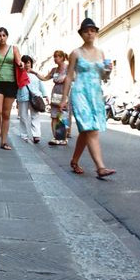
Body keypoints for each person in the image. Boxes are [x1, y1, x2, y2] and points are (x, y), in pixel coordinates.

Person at [60, 18, 116, 178]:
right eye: (86, 31)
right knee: (91, 129)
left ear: (96, 33)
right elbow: (69, 76)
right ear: (81, 34)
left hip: (96, 94)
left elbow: (104, 76)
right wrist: (64, 98)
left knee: (86, 130)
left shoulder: (101, 53)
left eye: (92, 30)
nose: (90, 33)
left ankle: (75, 161)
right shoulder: (75, 53)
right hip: (80, 94)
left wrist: (108, 71)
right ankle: (100, 167)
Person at [32, 50, 72, 145]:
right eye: (54, 56)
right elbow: (45, 78)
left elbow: (73, 78)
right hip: (55, 94)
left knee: (63, 116)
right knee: (54, 116)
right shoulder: (54, 70)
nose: (55, 58)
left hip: (64, 93)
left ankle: (63, 138)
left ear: (62, 58)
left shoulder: (68, 68)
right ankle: (56, 137)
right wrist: (34, 73)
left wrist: (66, 78)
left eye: (57, 56)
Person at [16, 55, 47, 143]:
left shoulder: (35, 74)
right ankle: (24, 134)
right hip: (23, 97)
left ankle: (36, 135)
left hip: (35, 97)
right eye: (25, 62)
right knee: (23, 116)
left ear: (31, 63)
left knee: (35, 116)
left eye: (28, 62)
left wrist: (45, 95)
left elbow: (41, 84)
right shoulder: (19, 73)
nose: (26, 64)